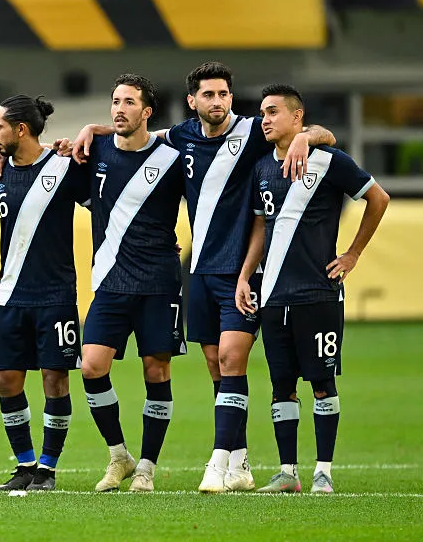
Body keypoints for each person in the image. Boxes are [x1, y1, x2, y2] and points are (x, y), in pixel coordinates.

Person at [70, 61, 335, 493]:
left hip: (241, 272)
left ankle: (216, 463)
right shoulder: (180, 138)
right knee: (215, 366)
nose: (218, 102)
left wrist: (307, 134)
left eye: (224, 94)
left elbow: (325, 134)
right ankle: (240, 461)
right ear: (192, 101)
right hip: (200, 271)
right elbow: (136, 135)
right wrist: (93, 129)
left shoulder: (253, 131)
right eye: (208, 95)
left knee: (230, 360)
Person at [239, 84, 389, 494]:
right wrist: (245, 276)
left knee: (322, 384)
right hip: (272, 296)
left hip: (319, 295)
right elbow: (259, 228)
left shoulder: (329, 160)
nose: (265, 119)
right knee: (281, 385)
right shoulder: (261, 169)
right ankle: (289, 473)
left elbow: (378, 198)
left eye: (273, 112)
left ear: (298, 117)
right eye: (262, 113)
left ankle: (323, 471)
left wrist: (353, 254)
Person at [0, 94, 88, 492]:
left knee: (55, 379)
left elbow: (104, 207)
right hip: (10, 296)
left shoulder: (64, 166)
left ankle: (48, 469)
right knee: (6, 381)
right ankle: (24, 465)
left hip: (55, 296)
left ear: (21, 129)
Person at [77, 74, 185, 493]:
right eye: (115, 100)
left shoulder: (173, 160)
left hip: (158, 281)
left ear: (147, 112)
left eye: (129, 102)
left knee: (156, 370)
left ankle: (147, 467)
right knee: (91, 365)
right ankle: (118, 455)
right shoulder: (95, 150)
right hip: (110, 281)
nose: (119, 109)